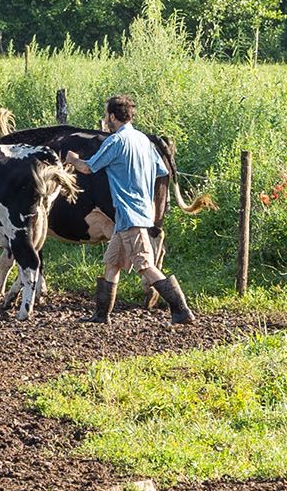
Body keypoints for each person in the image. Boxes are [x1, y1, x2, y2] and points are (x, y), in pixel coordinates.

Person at [64, 95, 195, 324]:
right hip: (137, 212)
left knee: (145, 265)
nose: (105, 119)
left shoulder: (116, 142)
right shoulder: (144, 140)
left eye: (106, 115)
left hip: (129, 214)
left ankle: (181, 309)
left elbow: (88, 168)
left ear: (113, 117)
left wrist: (73, 159)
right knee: (112, 262)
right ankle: (101, 315)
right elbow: (161, 170)